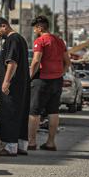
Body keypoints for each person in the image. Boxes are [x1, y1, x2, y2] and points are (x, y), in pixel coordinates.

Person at [28, 16, 70, 151]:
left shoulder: (40, 41)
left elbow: (36, 61)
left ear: (40, 27)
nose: (34, 31)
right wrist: (60, 73)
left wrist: (28, 77)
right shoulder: (59, 41)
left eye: (35, 28)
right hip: (57, 81)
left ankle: (31, 142)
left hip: (42, 80)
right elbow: (67, 62)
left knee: (34, 112)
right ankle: (51, 143)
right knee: (53, 111)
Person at [0, 18, 30, 156]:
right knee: (20, 113)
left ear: (4, 26)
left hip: (13, 86)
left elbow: (12, 63)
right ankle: (21, 145)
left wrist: (6, 82)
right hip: (22, 84)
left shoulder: (12, 39)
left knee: (9, 113)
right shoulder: (21, 39)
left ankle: (9, 147)